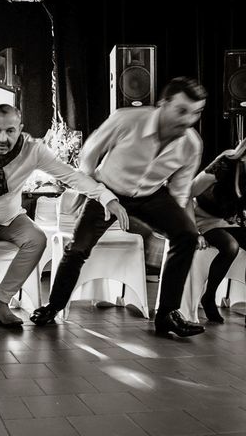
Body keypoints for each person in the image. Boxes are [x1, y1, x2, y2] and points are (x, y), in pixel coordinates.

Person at [31, 77, 208, 338]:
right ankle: (53, 307)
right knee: (78, 248)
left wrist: (168, 229)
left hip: (151, 194)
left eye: (195, 113)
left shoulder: (191, 144)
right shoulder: (126, 120)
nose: (187, 120)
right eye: (181, 111)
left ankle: (167, 315)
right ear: (163, 104)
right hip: (108, 190)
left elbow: (180, 191)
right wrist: (87, 187)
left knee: (187, 235)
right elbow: (91, 152)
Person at [0, 104, 127, 326]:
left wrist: (106, 197)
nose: (2, 138)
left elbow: (71, 176)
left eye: (10, 131)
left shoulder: (32, 150)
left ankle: (0, 301)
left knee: (37, 239)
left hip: (11, 218)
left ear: (20, 128)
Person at [191, 129, 246, 329]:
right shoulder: (225, 165)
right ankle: (208, 297)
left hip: (233, 220)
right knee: (229, 246)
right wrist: (193, 232)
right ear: (244, 155)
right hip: (205, 218)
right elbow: (187, 193)